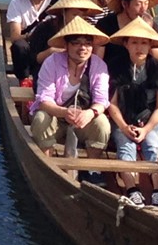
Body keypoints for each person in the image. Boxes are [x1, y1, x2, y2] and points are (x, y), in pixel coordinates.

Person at [103, 18, 158, 201]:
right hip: (123, 120)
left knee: (153, 145)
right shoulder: (115, 66)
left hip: (151, 120)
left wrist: (146, 129)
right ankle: (132, 190)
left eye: (144, 43)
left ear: (150, 45)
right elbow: (112, 103)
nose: (139, 47)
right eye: (134, 42)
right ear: (126, 44)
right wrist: (123, 126)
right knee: (125, 147)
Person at [30, 18, 112, 153]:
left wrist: (90, 113)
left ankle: (93, 164)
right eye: (76, 43)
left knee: (102, 123)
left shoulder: (98, 65)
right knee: (41, 118)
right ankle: (45, 159)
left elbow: (101, 100)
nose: (83, 48)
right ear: (66, 45)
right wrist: (64, 112)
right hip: (56, 115)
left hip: (84, 117)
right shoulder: (52, 62)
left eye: (88, 44)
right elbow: (44, 100)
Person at [6, 0, 67, 79]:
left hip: (47, 44)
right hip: (28, 43)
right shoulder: (16, 3)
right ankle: (23, 78)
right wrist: (32, 35)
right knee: (19, 46)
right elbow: (15, 36)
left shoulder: (57, 2)